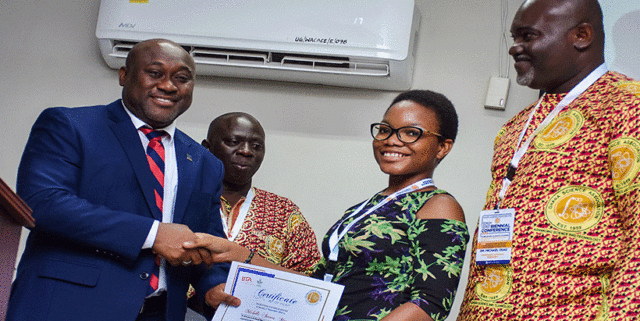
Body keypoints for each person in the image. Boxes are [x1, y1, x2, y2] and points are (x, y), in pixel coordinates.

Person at [187, 90, 470, 321]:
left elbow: (430, 303)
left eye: (411, 133)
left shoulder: (438, 205)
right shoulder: (365, 208)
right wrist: (243, 255)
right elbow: (319, 286)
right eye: (385, 130)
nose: (391, 140)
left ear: (443, 147)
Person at [7, 39, 230, 321]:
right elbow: (43, 204)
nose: (169, 86)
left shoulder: (205, 162)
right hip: (65, 308)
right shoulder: (69, 125)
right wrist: (153, 234)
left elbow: (205, 239)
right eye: (155, 73)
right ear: (124, 75)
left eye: (182, 78)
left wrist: (213, 285)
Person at [458, 0, 640, 319]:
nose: (515, 49)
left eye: (528, 36)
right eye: (514, 37)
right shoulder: (515, 127)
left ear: (581, 35)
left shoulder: (627, 104)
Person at [201, 112, 321, 273]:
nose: (246, 151)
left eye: (256, 146)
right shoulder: (183, 199)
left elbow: (311, 280)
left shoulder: (283, 211)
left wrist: (248, 259)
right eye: (234, 142)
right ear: (207, 148)